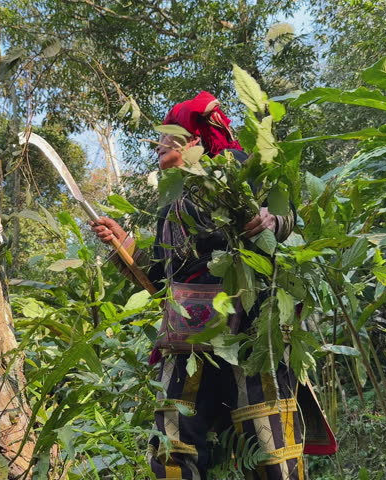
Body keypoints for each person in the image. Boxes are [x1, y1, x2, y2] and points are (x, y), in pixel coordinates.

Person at [91, 91, 335, 480]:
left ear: (195, 140)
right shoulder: (169, 203)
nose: (159, 145)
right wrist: (123, 244)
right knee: (174, 437)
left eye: (169, 136)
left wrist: (273, 220)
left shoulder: (236, 168)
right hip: (186, 333)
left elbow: (286, 216)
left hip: (252, 323)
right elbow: (163, 279)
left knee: (268, 434)